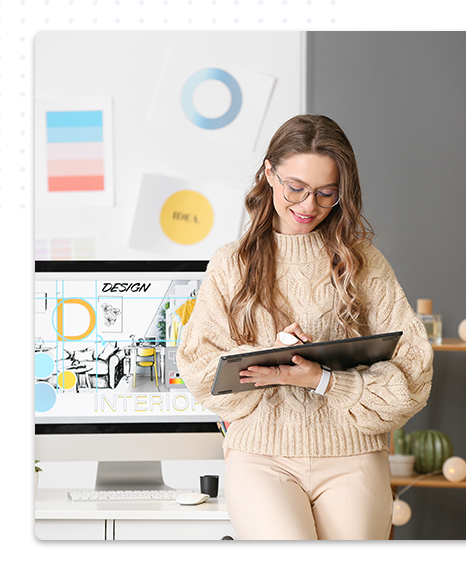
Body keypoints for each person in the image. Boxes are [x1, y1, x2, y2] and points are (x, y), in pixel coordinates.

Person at [176, 115, 433, 540]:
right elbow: (201, 374)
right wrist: (270, 355)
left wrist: (323, 379)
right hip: (261, 456)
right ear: (268, 173)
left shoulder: (362, 262)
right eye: (295, 188)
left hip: (352, 453)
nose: (308, 206)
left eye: (325, 193)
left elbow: (414, 372)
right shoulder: (230, 264)